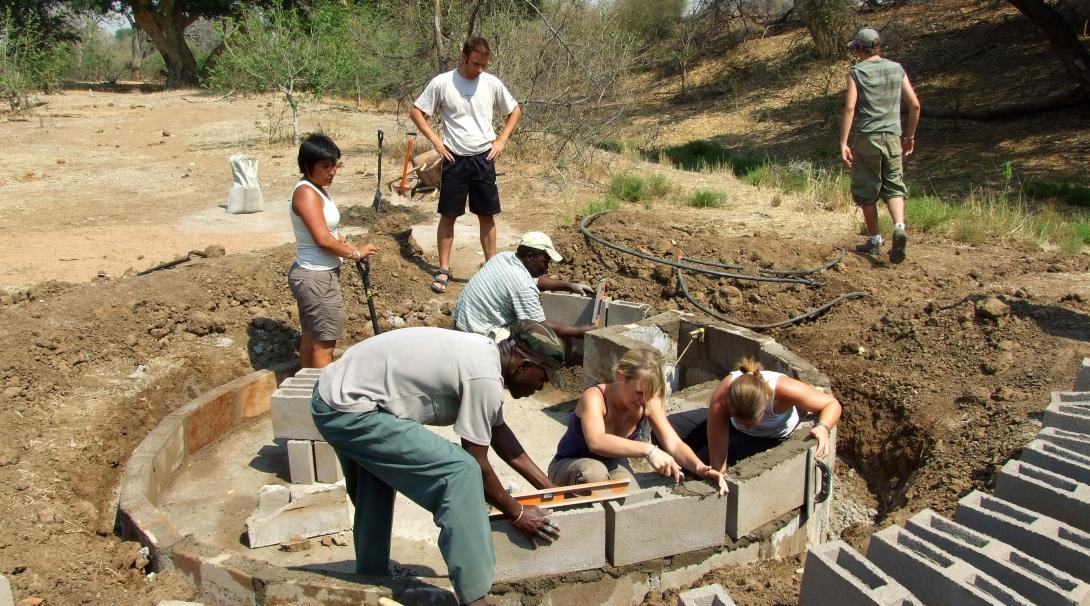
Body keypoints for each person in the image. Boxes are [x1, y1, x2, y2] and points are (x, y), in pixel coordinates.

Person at [311, 322, 565, 606]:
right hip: (350, 411)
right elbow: (477, 464)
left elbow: (499, 432)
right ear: (523, 366)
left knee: (376, 485)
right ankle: (476, 598)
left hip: (335, 396)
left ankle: (372, 580)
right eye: (544, 378)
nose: (541, 387)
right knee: (459, 472)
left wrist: (552, 489)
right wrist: (517, 513)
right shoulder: (485, 378)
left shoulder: (484, 356)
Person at [410, 37, 523, 294]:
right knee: (449, 215)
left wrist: (501, 140)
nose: (479, 69)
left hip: (484, 157)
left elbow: (515, 110)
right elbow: (416, 112)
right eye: (475, 63)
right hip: (454, 158)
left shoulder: (491, 83)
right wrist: (436, 142)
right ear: (464, 58)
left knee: (486, 215)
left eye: (484, 64)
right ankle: (443, 269)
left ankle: (492, 269)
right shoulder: (442, 82)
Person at [549, 346, 725, 494]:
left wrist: (701, 468)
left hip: (611, 462)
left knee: (631, 497)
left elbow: (674, 443)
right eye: (639, 392)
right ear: (620, 376)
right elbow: (596, 441)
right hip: (570, 464)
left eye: (648, 394)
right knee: (594, 475)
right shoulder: (595, 397)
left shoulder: (648, 401)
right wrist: (649, 450)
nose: (643, 400)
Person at [668, 357, 841, 496]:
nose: (749, 426)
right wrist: (719, 472)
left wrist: (823, 427)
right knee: (669, 429)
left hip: (768, 437)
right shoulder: (724, 393)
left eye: (752, 422)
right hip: (732, 427)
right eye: (742, 420)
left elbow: (831, 404)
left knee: (701, 457)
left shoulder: (784, 391)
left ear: (763, 406)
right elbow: (718, 435)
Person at [287, 134, 378, 368]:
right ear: (307, 165)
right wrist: (355, 253)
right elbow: (322, 239)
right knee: (325, 345)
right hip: (316, 277)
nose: (332, 171)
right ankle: (322, 399)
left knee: (311, 337)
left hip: (316, 274)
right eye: (325, 166)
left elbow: (326, 229)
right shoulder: (306, 193)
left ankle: (306, 394)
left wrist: (341, 239)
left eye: (335, 165)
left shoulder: (317, 189)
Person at [839, 27, 921, 264]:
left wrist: (843, 142)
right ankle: (899, 226)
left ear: (861, 49)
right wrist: (910, 136)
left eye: (856, 48)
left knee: (866, 191)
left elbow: (850, 108)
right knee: (894, 185)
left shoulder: (857, 72)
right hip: (893, 137)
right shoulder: (896, 69)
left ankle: (875, 241)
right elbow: (915, 105)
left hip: (867, 138)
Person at [453, 231, 594, 342]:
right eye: (544, 262)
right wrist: (578, 332)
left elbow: (537, 281)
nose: (546, 268)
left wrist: (570, 286)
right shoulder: (522, 285)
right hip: (476, 336)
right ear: (530, 256)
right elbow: (540, 326)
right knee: (539, 346)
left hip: (461, 324)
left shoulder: (504, 257)